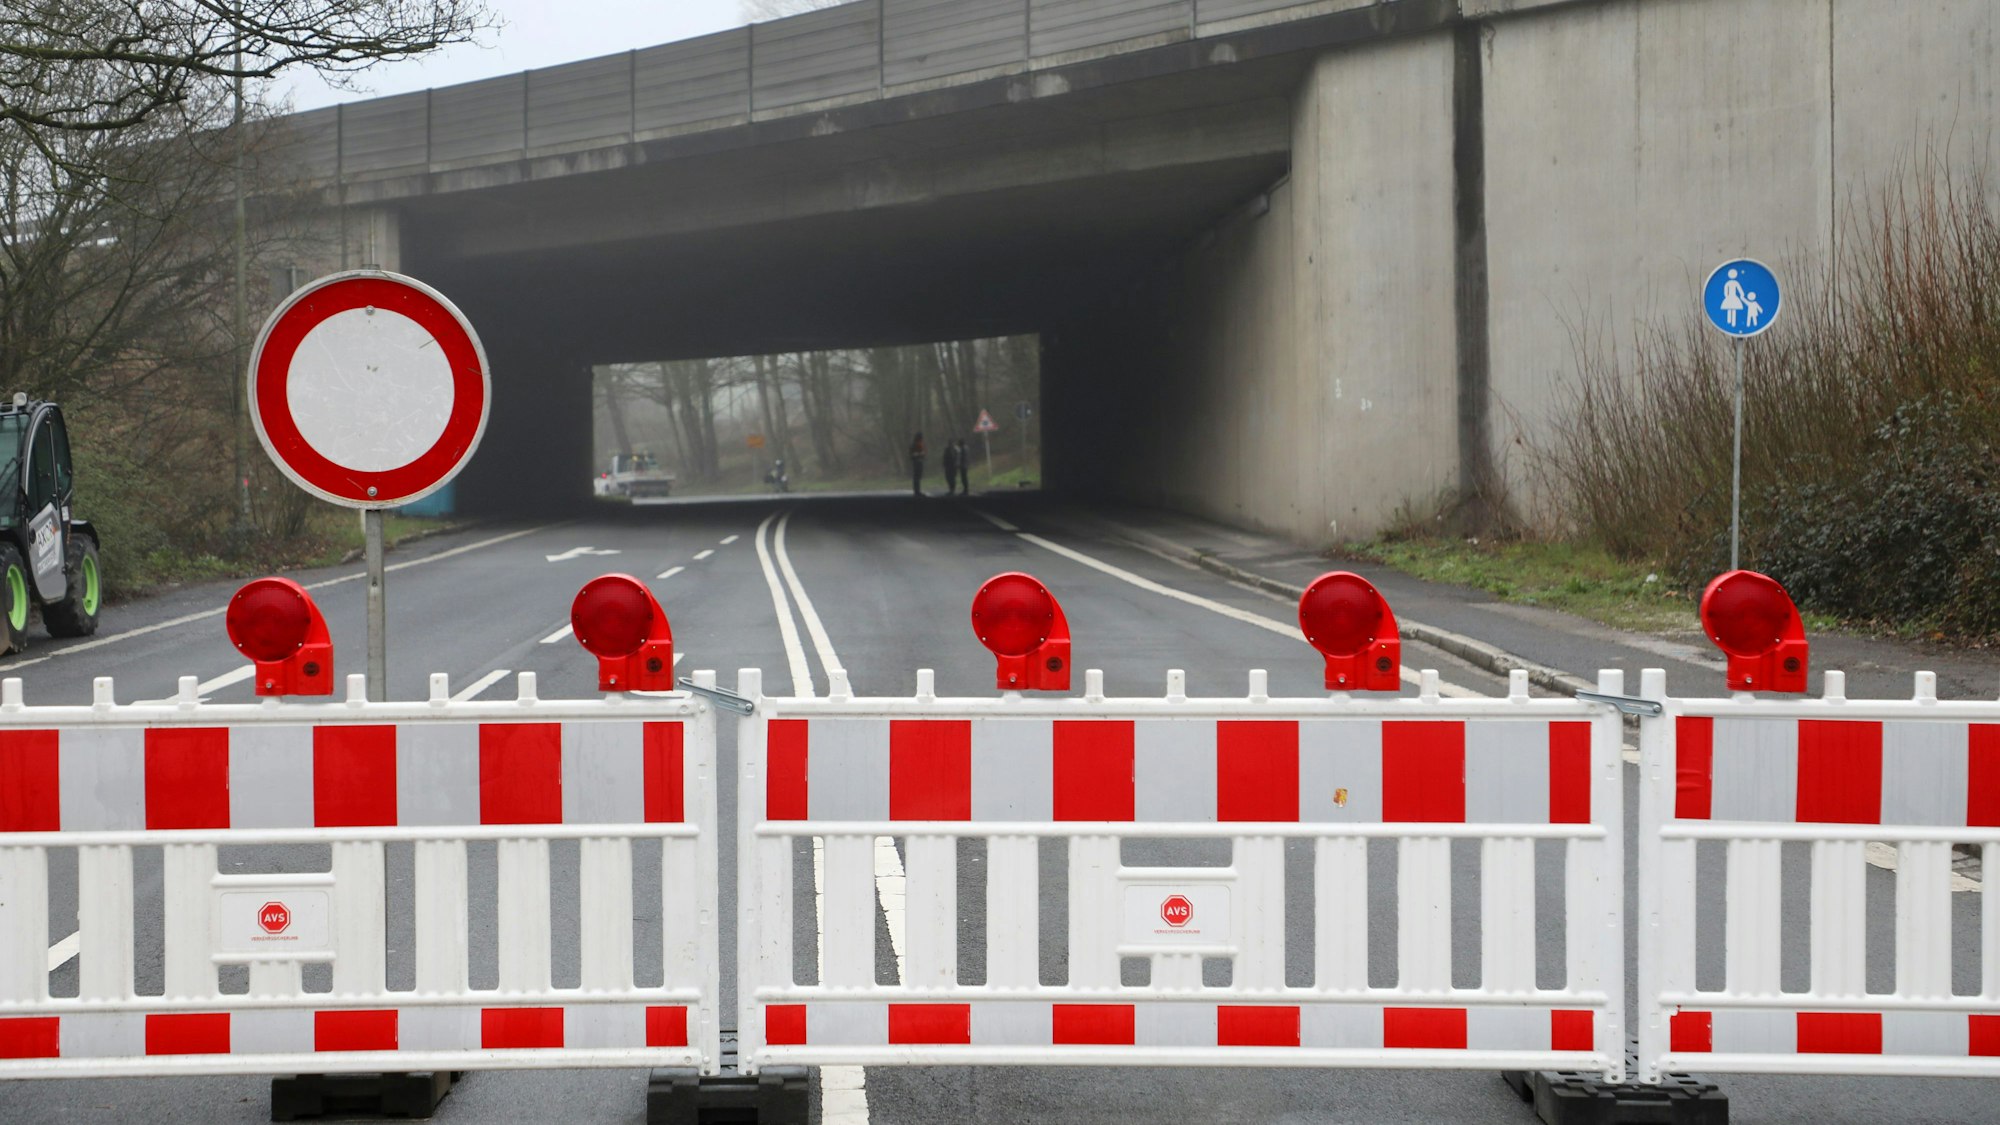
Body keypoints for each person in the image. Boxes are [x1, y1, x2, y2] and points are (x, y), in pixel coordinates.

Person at [908, 432, 926, 496]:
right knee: (916, 477)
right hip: (916, 462)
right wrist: (919, 454)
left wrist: (922, 454)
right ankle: (916, 491)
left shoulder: (920, 444)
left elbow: (923, 453)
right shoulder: (914, 444)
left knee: (918, 477)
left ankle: (917, 491)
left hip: (920, 461)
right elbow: (912, 454)